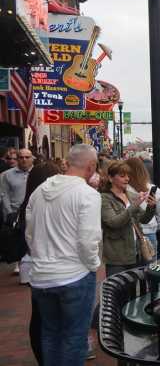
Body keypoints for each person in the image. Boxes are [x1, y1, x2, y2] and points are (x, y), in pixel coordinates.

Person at [25, 144, 101, 365]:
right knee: (74, 337)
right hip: (73, 275)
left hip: (42, 276)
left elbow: (30, 234)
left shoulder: (39, 191)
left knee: (50, 333)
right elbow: (88, 239)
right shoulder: (87, 194)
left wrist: (40, 257)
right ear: (91, 166)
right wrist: (92, 265)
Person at [16, 162, 61, 364]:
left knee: (40, 318)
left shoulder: (28, 204)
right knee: (54, 321)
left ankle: (44, 359)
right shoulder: (50, 206)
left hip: (36, 270)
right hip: (55, 270)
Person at [100, 161, 156, 276]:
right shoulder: (105, 198)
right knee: (119, 290)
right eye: (122, 176)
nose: (127, 179)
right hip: (117, 256)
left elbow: (143, 219)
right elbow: (114, 222)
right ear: (111, 178)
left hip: (136, 252)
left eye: (127, 175)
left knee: (135, 289)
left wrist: (151, 207)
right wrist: (134, 205)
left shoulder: (129, 195)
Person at [125, 158, 160, 261]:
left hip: (130, 234)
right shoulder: (154, 190)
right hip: (149, 233)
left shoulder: (124, 190)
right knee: (150, 269)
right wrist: (154, 226)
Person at [1, 148, 34, 273]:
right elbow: (4, 195)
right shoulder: (7, 175)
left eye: (27, 157)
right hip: (16, 212)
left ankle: (32, 264)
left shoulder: (37, 172)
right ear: (17, 159)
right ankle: (18, 263)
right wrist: (9, 212)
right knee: (18, 238)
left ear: (32, 159)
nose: (24, 160)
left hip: (34, 211)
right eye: (21, 157)